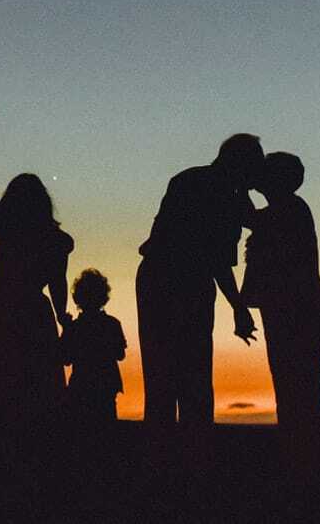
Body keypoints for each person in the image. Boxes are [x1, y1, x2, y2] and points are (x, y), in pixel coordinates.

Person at [136, 134, 261, 440]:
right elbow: (220, 256)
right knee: (193, 378)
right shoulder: (223, 196)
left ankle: (162, 452)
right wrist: (239, 307)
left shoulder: (190, 180)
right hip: (181, 283)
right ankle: (193, 457)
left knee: (161, 375)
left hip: (158, 278)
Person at [0, 107, 75, 415]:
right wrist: (62, 314)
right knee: (34, 396)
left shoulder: (7, 226)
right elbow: (58, 282)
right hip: (34, 312)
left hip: (0, 305)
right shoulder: (55, 240)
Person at [241, 151, 320, 464]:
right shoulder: (289, 210)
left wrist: (241, 183)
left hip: (299, 312)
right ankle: (305, 459)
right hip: (296, 310)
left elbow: (249, 218)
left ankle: (305, 461)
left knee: (299, 390)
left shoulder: (290, 210)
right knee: (297, 389)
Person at [63, 269, 127, 425]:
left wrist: (66, 329)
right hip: (105, 386)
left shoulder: (75, 328)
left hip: (80, 386)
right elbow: (120, 354)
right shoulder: (112, 324)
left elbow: (65, 358)